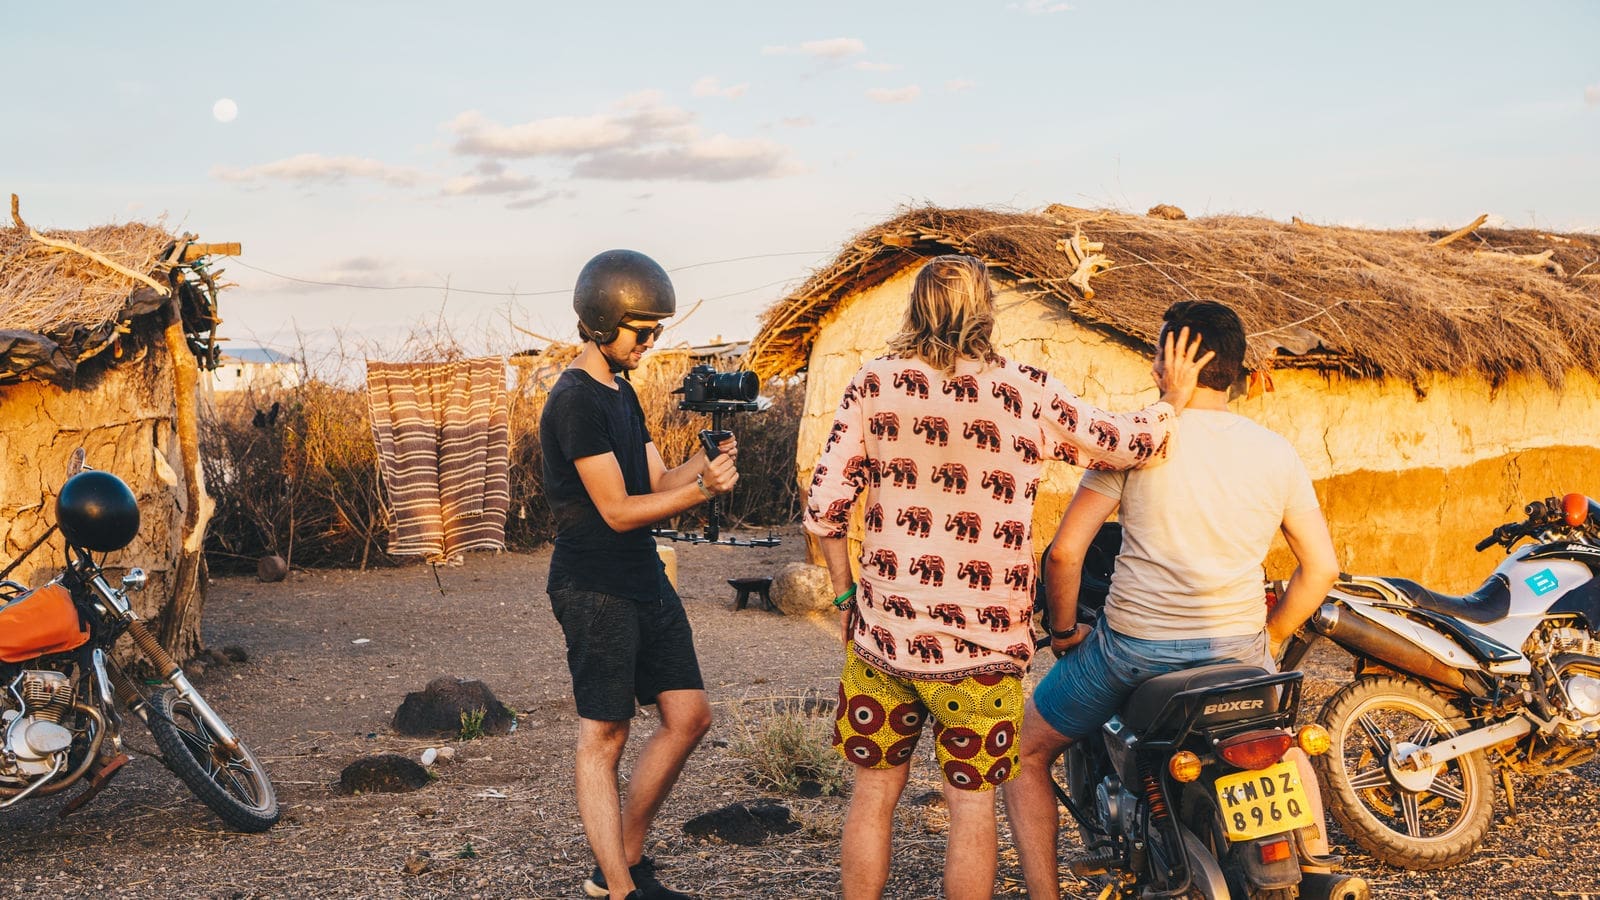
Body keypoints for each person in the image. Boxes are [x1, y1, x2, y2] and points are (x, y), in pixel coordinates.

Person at [803, 255, 1213, 900]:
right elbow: (1123, 441)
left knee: (875, 792)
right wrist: (1169, 403)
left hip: (884, 639)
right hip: (983, 647)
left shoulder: (872, 384)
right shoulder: (1024, 390)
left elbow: (824, 507)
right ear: (986, 312)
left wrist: (846, 589)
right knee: (970, 806)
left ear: (914, 309)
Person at [1004, 299, 1342, 900]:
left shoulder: (1140, 439)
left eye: (1157, 350)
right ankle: (1317, 864)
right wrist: (1270, 638)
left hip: (1135, 651)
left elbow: (1063, 554)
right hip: (1236, 649)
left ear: (1171, 361)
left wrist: (1062, 634)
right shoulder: (1276, 453)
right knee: (1281, 739)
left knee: (1024, 754)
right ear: (1234, 368)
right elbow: (1320, 568)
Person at [541, 249, 738, 900]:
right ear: (602, 321)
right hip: (593, 583)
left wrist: (704, 460)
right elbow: (619, 511)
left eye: (657, 329)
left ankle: (618, 860)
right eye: (643, 329)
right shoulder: (574, 402)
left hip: (641, 574)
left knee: (689, 716)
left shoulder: (620, 392)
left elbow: (654, 482)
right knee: (605, 733)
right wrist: (702, 492)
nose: (652, 342)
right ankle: (621, 889)